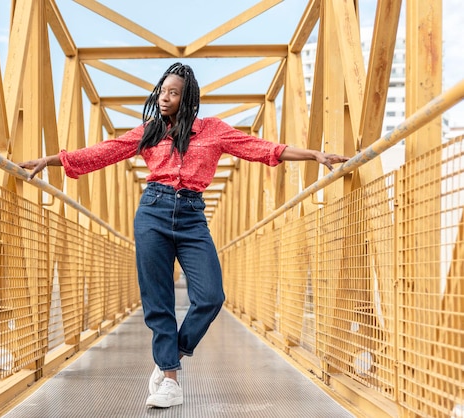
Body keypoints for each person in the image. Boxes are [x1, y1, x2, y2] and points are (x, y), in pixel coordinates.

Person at [18, 62, 349, 408]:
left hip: (192, 217)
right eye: (162, 91)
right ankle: (171, 382)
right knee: (158, 301)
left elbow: (261, 148)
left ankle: (169, 356)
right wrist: (52, 160)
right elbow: (105, 151)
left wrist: (312, 155)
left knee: (211, 296)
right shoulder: (150, 131)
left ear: (187, 99)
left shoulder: (214, 131)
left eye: (173, 93)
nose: (164, 98)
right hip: (152, 212)